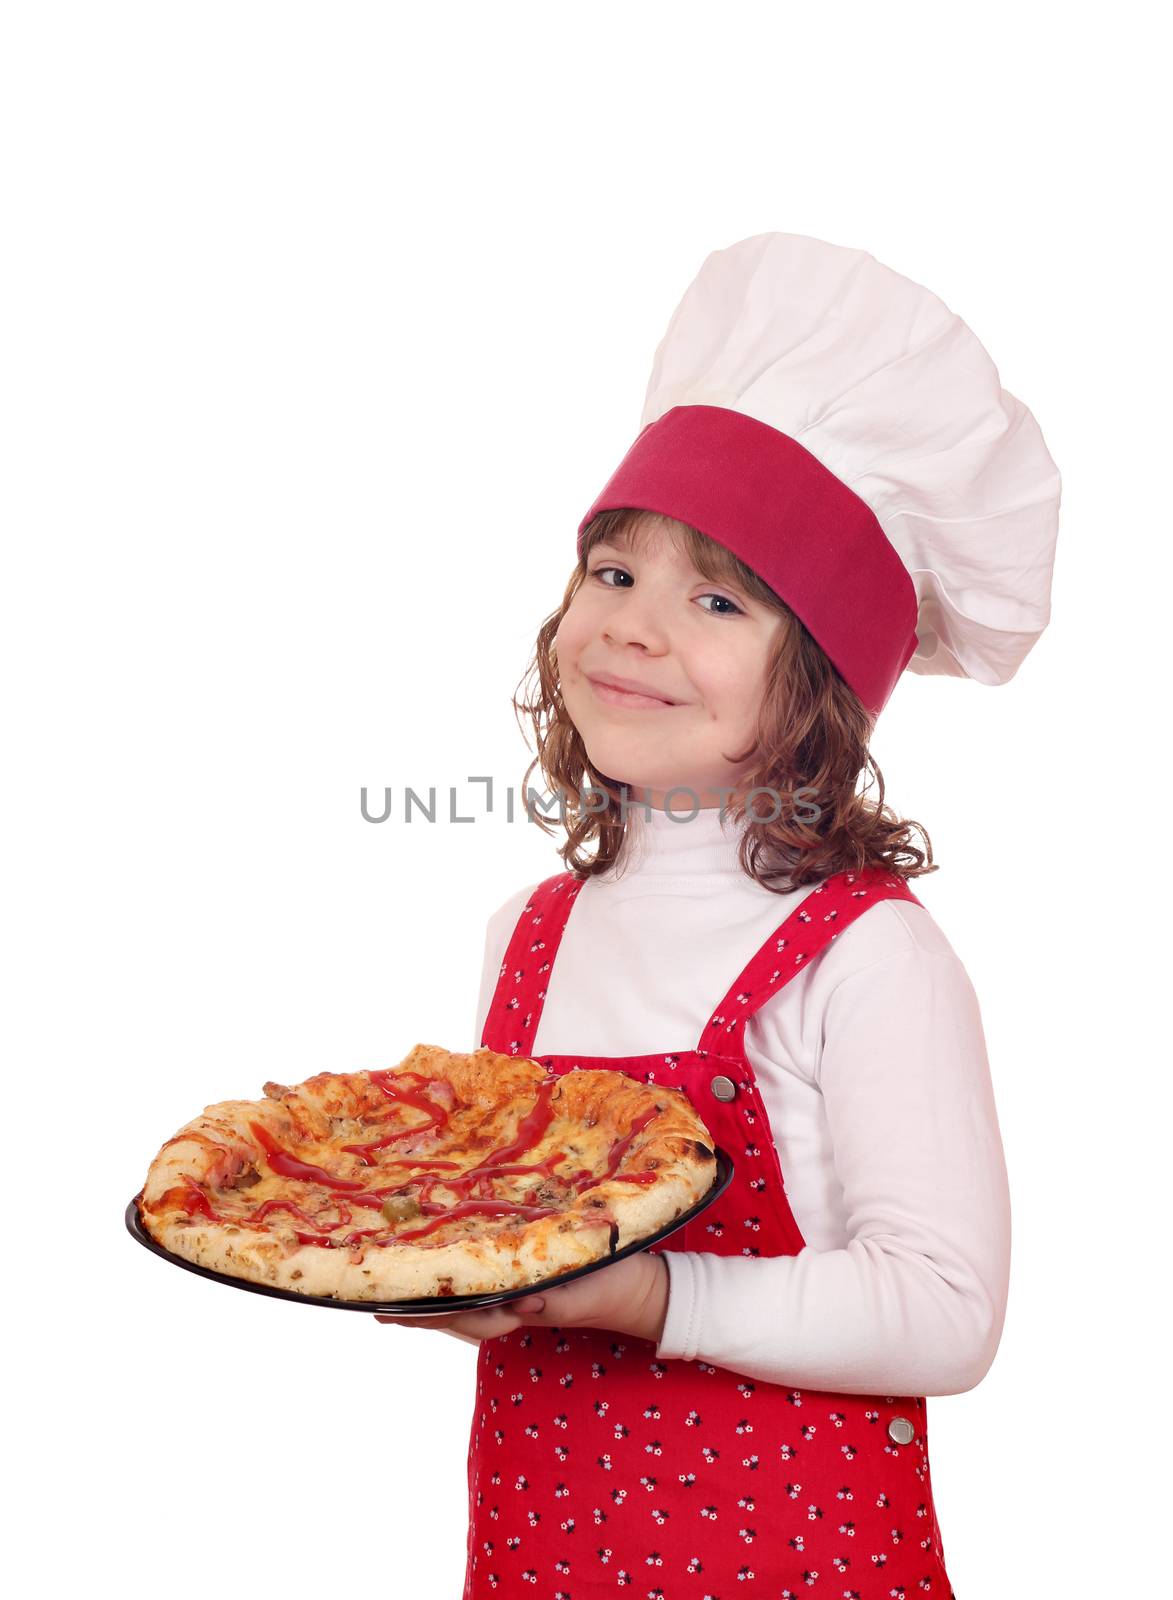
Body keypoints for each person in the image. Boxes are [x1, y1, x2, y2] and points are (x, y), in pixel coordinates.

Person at [377, 231, 1062, 1596]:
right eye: (612, 573)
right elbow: (528, 1243)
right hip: (546, 1555)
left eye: (712, 597)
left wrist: (651, 1298)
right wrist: (458, 1277)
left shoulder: (867, 955)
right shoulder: (527, 935)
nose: (631, 627)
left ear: (815, 683)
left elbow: (945, 1312)